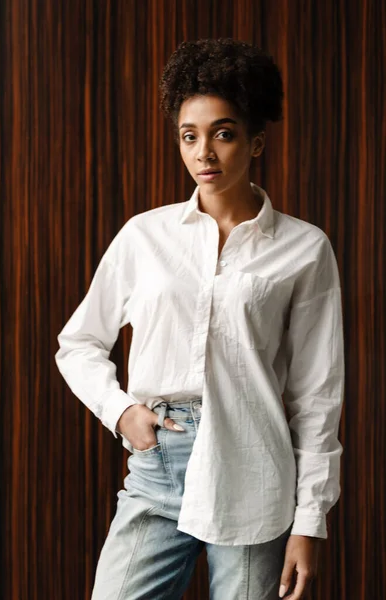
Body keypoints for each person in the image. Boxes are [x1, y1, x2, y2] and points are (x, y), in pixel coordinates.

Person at [55, 37, 345, 600]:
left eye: (224, 133)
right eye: (190, 136)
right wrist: (122, 413)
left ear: (256, 141)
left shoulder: (305, 250)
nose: (204, 152)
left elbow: (317, 397)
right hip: (159, 460)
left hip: (255, 472)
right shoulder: (145, 235)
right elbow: (79, 342)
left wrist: (309, 522)